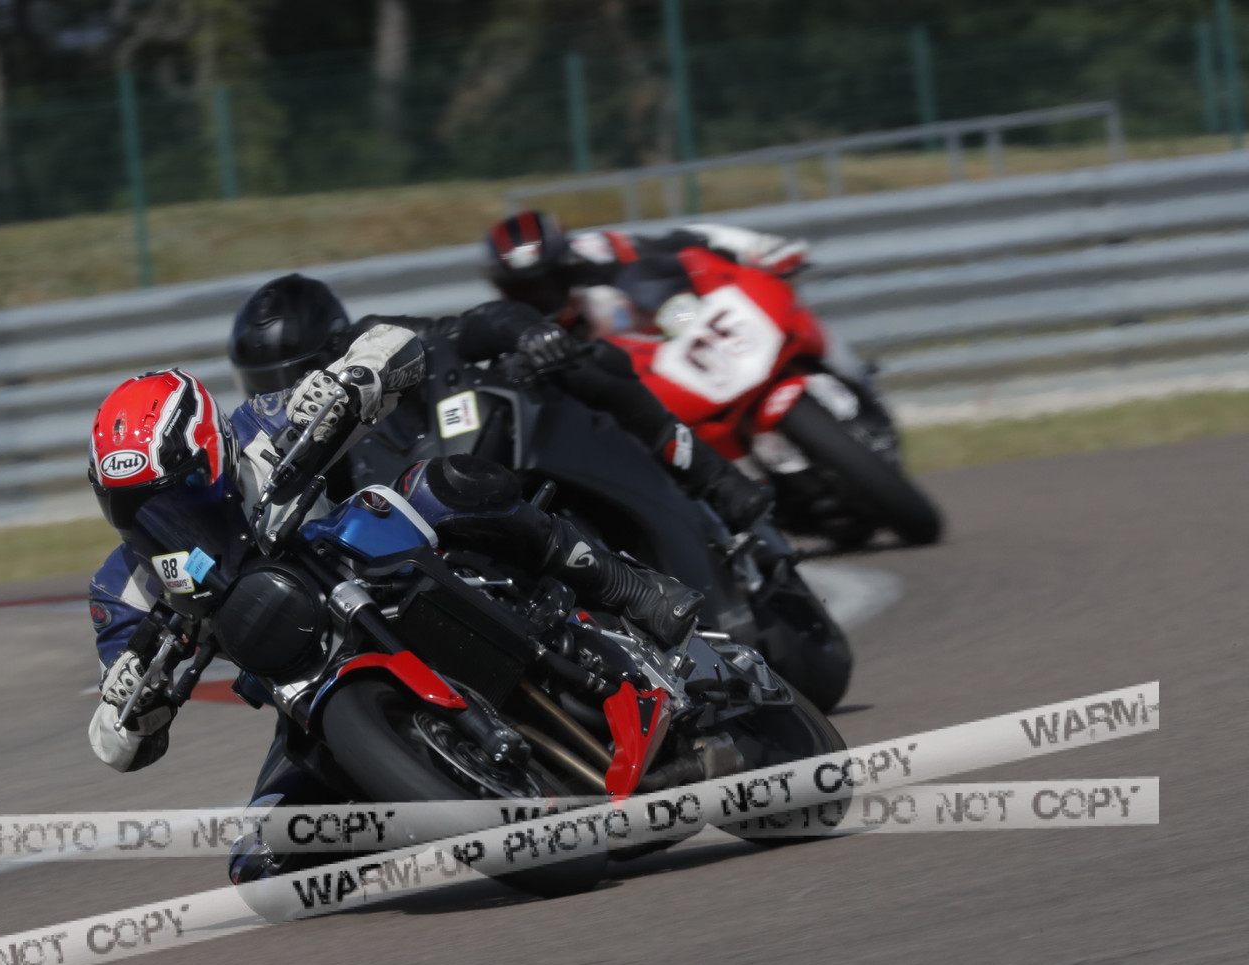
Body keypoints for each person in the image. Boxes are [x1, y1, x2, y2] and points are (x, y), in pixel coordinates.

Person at [83, 334, 703, 882]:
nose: (163, 519)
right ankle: (430, 807)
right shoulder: (121, 589)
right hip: (306, 690)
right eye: (134, 508)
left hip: (376, 570)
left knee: (441, 485)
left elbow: (394, 343)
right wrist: (128, 703)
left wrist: (351, 380)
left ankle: (627, 587)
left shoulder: (262, 427)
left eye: (179, 493)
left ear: (214, 453)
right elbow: (115, 742)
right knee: (264, 861)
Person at [227, 274, 774, 536]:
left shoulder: (383, 341)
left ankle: (712, 478)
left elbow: (471, 327)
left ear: (335, 348)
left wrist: (529, 332)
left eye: (294, 374)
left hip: (494, 459)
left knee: (585, 362)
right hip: (443, 542)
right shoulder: (301, 460)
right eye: (264, 384)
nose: (288, 392)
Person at [483, 209, 870, 385]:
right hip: (643, 386)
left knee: (782, 312)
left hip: (681, 331)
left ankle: (853, 376)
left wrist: (756, 247)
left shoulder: (596, 253)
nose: (536, 297)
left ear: (564, 264)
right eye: (521, 290)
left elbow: (685, 239)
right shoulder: (515, 330)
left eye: (542, 283)